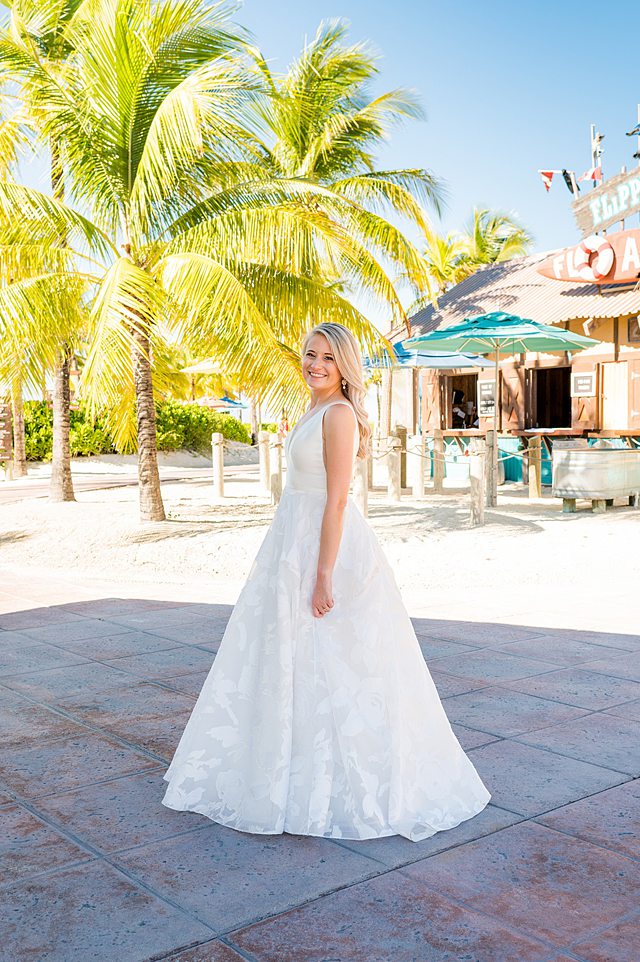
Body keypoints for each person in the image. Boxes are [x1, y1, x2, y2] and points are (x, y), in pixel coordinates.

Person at [162, 322, 491, 841]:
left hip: (323, 547)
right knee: (288, 658)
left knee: (338, 662)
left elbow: (338, 499)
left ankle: (340, 781)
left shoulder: (338, 415)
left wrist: (322, 575)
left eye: (327, 359)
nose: (315, 364)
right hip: (291, 541)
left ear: (344, 368)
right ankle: (287, 773)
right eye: (310, 354)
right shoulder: (313, 409)